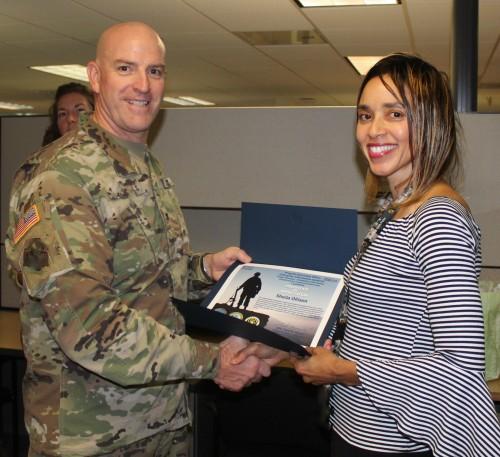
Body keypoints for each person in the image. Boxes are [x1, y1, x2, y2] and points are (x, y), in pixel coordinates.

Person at [5, 22, 271, 457]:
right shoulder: (61, 179)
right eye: (126, 68)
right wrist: (214, 361)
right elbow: (92, 327)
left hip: (161, 423)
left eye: (155, 71)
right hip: (90, 436)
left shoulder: (147, 167)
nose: (143, 86)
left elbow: (151, 277)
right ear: (95, 76)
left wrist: (205, 269)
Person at [236, 54, 500, 456]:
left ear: (432, 123)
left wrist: (345, 370)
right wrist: (288, 347)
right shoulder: (398, 210)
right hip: (358, 430)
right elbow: (379, 330)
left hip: (397, 446)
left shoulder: (438, 220)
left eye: (394, 113)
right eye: (365, 115)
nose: (373, 130)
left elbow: (460, 369)